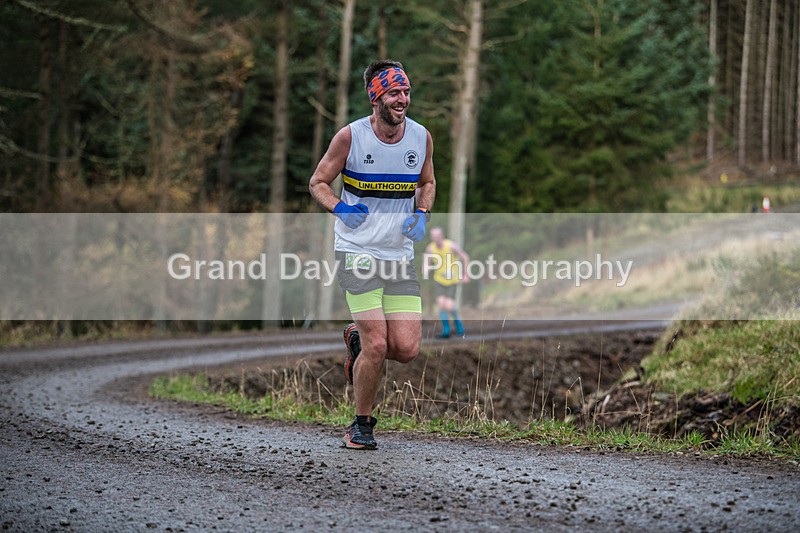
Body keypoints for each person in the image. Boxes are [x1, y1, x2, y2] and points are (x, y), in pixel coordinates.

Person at [309, 59, 435, 450]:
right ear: (376, 96)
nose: (403, 100)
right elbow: (318, 182)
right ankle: (360, 425)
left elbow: (428, 181)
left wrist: (423, 212)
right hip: (357, 251)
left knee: (406, 349)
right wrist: (340, 208)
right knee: (378, 345)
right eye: (395, 93)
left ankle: (356, 342)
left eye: (407, 92)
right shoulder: (350, 137)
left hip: (398, 253)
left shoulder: (421, 137)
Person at [424, 227, 469, 338]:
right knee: (441, 304)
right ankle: (446, 331)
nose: (436, 239)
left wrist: (465, 274)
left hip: (452, 280)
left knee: (449, 306)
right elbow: (427, 262)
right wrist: (426, 270)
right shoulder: (430, 248)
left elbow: (465, 256)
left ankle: (459, 326)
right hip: (439, 280)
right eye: (433, 237)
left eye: (437, 236)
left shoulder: (451, 246)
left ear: (442, 236)